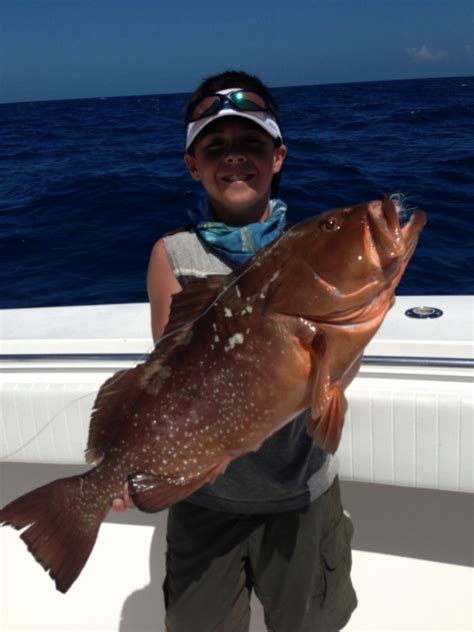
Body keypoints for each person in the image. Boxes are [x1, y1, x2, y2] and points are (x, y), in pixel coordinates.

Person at [114, 70, 357, 631]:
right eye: (216, 147)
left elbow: (332, 371)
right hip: (205, 502)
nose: (235, 158)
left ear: (278, 156)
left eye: (251, 143)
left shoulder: (314, 249)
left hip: (301, 498)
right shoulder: (172, 255)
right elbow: (168, 378)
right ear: (192, 165)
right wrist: (135, 462)